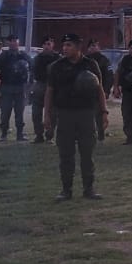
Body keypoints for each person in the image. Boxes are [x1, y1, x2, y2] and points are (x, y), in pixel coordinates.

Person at [45, 33, 109, 201]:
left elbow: (99, 89)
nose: (65, 48)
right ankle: (66, 190)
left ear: (78, 47)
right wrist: (47, 115)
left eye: (69, 45)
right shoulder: (57, 66)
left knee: (87, 153)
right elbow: (50, 91)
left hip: (86, 114)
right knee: (66, 154)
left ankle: (89, 189)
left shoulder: (90, 64)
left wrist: (104, 112)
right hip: (65, 114)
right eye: (64, 45)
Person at [0, 35, 33, 142]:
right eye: (12, 41)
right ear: (8, 43)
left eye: (15, 41)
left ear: (18, 42)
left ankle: (20, 134)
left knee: (19, 112)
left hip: (20, 88)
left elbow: (33, 67)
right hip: (6, 88)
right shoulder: (3, 56)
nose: (14, 43)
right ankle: (4, 134)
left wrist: (30, 83)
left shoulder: (23, 55)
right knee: (5, 113)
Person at [30, 35, 60, 144]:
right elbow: (34, 73)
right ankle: (39, 135)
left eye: (49, 43)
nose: (47, 46)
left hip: (54, 87)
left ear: (53, 45)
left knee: (53, 114)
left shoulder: (58, 58)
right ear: (42, 46)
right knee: (36, 113)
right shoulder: (37, 59)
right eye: (45, 44)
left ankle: (49, 136)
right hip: (40, 85)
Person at [86, 40, 113, 142]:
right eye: (91, 46)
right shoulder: (84, 60)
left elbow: (109, 76)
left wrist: (106, 90)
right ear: (88, 48)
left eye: (95, 46)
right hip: (86, 92)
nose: (93, 48)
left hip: (99, 90)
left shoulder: (104, 60)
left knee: (100, 113)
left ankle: (101, 134)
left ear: (99, 47)